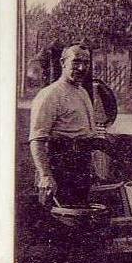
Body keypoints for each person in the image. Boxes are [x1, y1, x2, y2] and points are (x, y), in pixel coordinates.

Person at [29, 44, 105, 206]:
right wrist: (45, 175)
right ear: (63, 63)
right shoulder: (50, 94)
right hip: (59, 165)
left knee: (79, 213)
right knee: (61, 217)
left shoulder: (82, 92)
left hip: (81, 164)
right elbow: (37, 140)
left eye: (86, 63)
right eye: (76, 62)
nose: (81, 67)